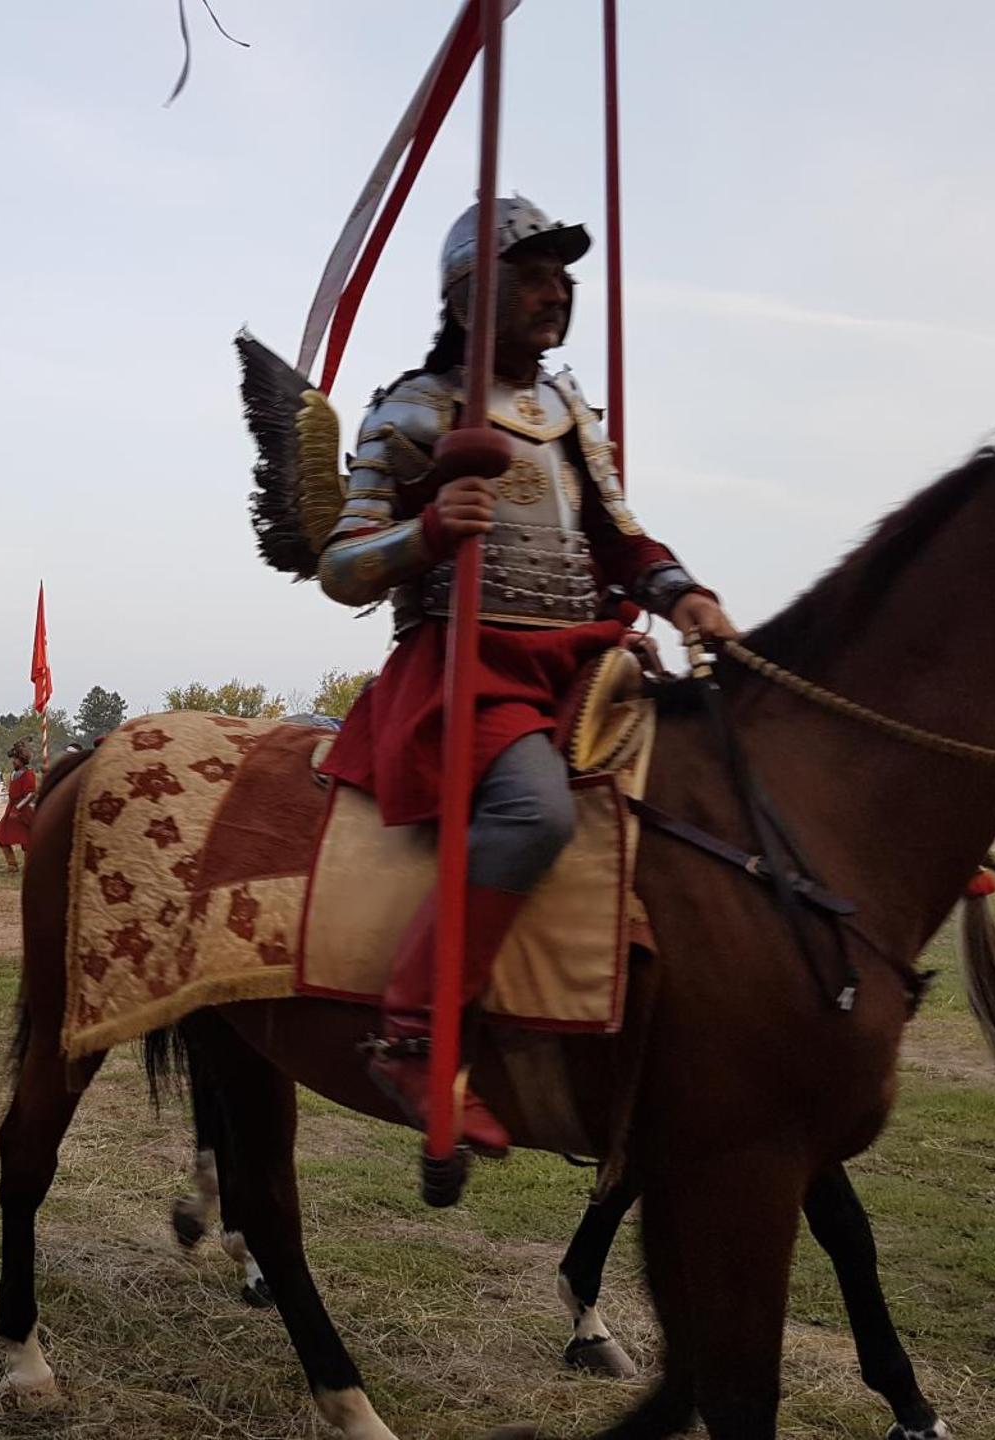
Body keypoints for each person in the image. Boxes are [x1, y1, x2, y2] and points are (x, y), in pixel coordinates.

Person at [316, 197, 737, 1157]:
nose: (559, 294)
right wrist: (425, 534)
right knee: (537, 813)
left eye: (564, 278)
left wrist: (684, 598)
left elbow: (622, 541)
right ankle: (415, 1033)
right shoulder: (412, 411)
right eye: (534, 277)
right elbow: (340, 569)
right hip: (469, 670)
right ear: (471, 299)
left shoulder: (567, 412)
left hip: (586, 663)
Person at [0, 740, 37, 871]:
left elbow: (30, 794)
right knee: (0, 835)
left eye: (16, 759)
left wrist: (17, 809)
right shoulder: (14, 773)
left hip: (22, 810)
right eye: (13, 759)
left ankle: (30, 866)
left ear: (22, 760)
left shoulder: (28, 774)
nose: (13, 761)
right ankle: (12, 864)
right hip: (11, 807)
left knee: (28, 840)